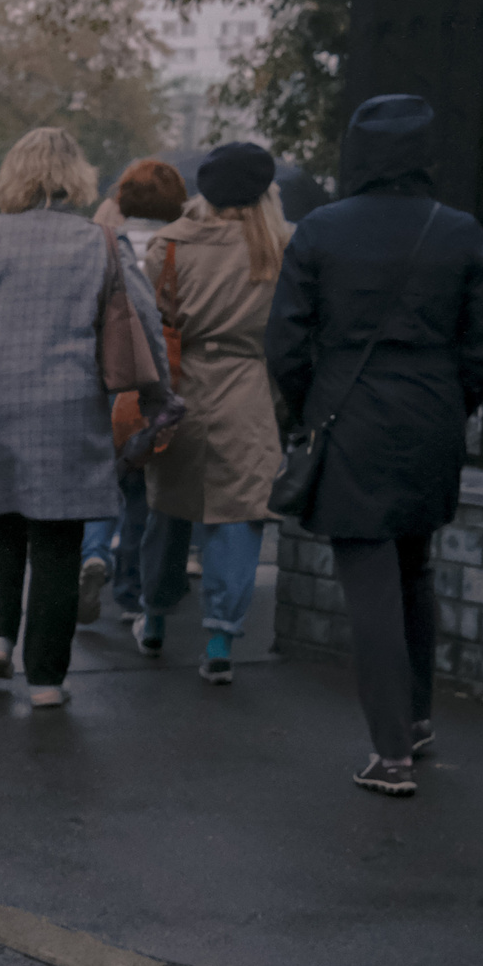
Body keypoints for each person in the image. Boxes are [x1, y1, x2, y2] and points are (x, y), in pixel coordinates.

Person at [268, 95, 483, 796]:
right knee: (414, 568)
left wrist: (313, 401)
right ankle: (419, 718)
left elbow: (285, 341)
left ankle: (390, 752)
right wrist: (455, 396)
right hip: (434, 411)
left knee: (369, 578)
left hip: (349, 412)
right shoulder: (459, 232)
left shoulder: (320, 230)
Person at [0, 126, 148, 709]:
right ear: (76, 176)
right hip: (68, 402)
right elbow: (139, 323)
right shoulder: (100, 242)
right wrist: (160, 399)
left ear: (13, 175)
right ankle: (46, 680)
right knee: (57, 540)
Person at [135, 142, 288, 684]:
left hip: (181, 382)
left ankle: (153, 616)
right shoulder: (279, 247)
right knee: (238, 513)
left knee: (168, 507)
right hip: (249, 387)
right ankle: (221, 636)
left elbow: (142, 320)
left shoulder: (169, 247)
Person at [82, 160, 187, 628]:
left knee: (102, 474)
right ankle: (131, 589)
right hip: (153, 376)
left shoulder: (105, 240)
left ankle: (92, 551)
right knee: (144, 488)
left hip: (108, 371)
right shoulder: (177, 247)